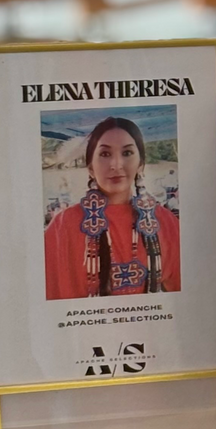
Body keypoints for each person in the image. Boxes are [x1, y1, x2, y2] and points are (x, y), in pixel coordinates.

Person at [44, 117, 180, 299]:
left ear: (140, 163)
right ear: (90, 167)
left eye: (127, 153)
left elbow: (188, 297)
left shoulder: (165, 222)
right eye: (105, 154)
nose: (116, 165)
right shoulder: (63, 226)